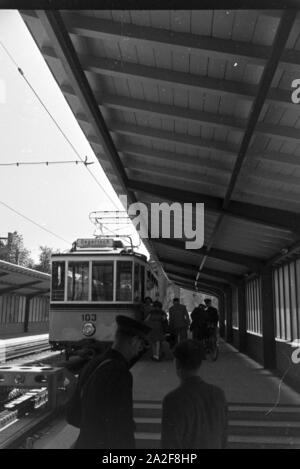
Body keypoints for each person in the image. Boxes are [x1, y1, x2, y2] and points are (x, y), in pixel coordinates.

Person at [73, 315, 151, 449]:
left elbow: (72, 414)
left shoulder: (94, 363)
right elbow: (120, 425)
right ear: (133, 341)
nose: (140, 349)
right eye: (141, 344)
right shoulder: (120, 373)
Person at [161, 340, 228, 449]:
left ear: (177, 363)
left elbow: (169, 442)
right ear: (200, 364)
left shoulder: (172, 400)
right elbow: (224, 436)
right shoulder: (218, 394)